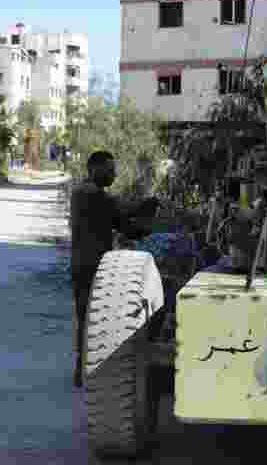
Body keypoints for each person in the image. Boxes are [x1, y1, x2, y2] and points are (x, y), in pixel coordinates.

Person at [69, 150, 160, 388]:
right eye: (109, 170)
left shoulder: (94, 195)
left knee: (93, 317)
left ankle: (85, 369)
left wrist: (145, 230)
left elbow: (122, 225)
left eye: (113, 170)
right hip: (89, 266)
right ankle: (85, 370)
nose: (114, 174)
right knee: (89, 317)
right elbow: (123, 210)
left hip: (92, 265)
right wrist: (148, 204)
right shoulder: (87, 193)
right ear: (93, 169)